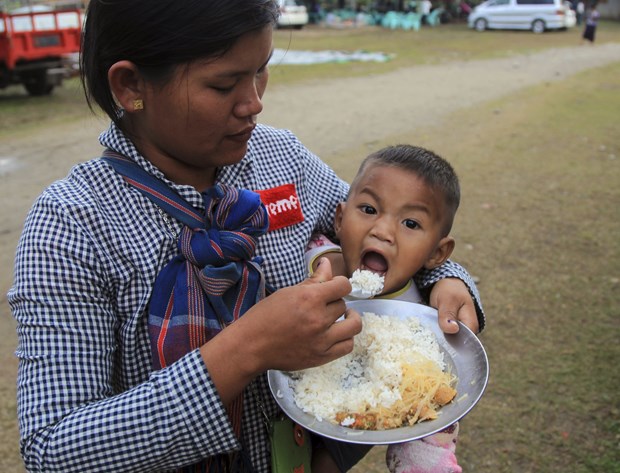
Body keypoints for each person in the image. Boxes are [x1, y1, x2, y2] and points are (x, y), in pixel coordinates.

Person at [8, 1, 484, 471]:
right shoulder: (71, 223)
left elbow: (383, 230)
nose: (254, 102)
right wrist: (245, 351)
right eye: (223, 84)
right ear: (131, 85)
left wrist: (450, 276)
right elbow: (54, 449)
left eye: (261, 71)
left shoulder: (282, 159)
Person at [305, 144, 484, 473]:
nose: (382, 231)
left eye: (411, 224)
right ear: (341, 219)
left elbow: (432, 413)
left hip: (358, 417)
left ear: (436, 254)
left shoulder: (420, 319)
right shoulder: (315, 262)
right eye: (370, 209)